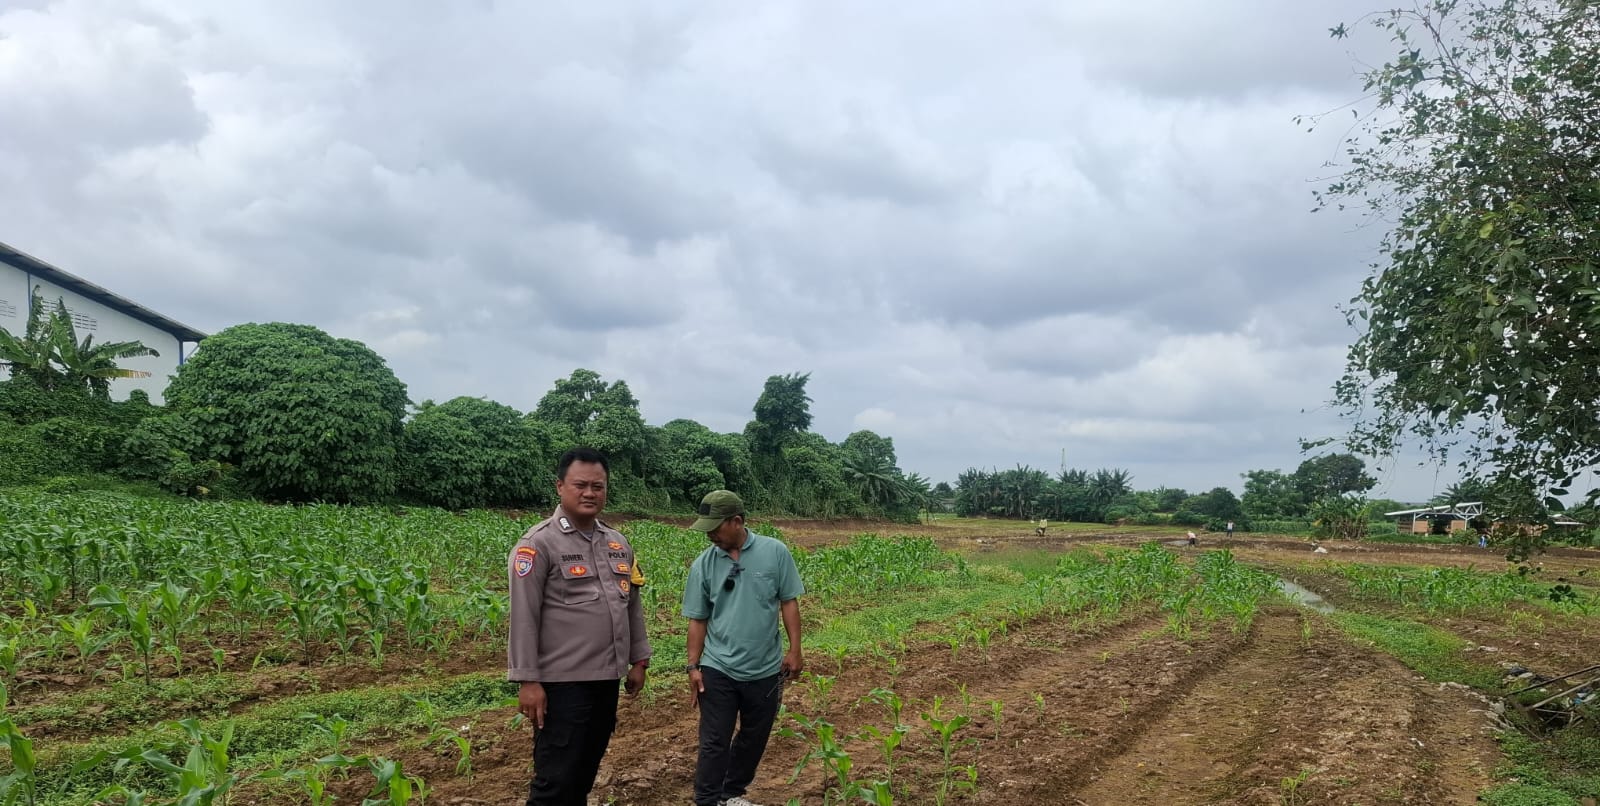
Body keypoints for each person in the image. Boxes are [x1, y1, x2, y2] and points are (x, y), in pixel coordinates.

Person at [508, 447, 651, 806]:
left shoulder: (618, 543)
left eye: (598, 486)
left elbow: (630, 605)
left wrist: (639, 660)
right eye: (581, 485)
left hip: (606, 679)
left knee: (585, 769)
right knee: (556, 778)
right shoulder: (538, 544)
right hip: (562, 684)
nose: (590, 493)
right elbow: (524, 617)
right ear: (560, 486)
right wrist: (528, 680)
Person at [683, 490, 805, 806]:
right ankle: (707, 800)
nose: (709, 535)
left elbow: (788, 602)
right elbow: (697, 620)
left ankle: (731, 793)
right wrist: (693, 666)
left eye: (715, 528)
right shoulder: (703, 564)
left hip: (766, 669)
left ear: (736, 522)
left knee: (754, 738)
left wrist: (795, 650)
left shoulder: (775, 552)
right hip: (718, 667)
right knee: (714, 740)